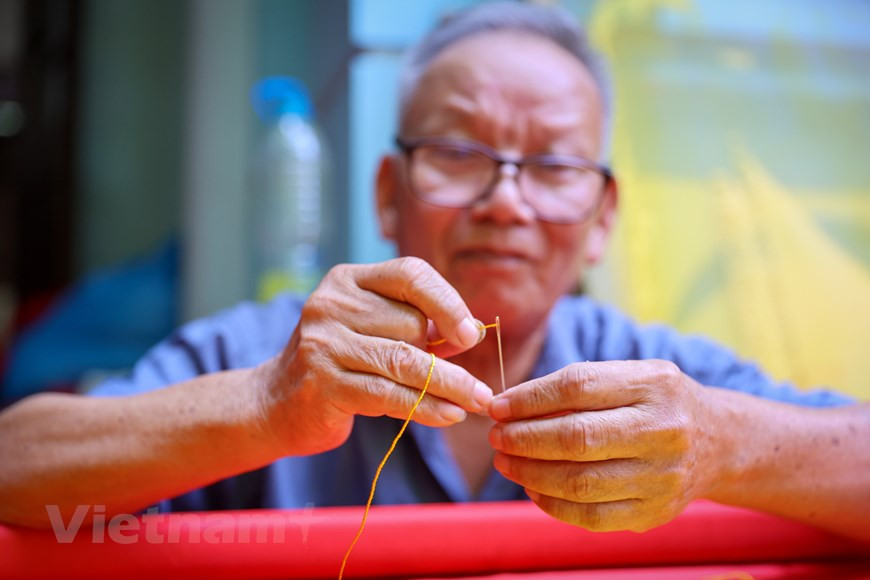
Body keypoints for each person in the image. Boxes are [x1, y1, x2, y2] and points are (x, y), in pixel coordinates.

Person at [0, 2, 867, 541]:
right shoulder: (271, 353)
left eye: (556, 165)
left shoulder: (655, 379)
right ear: (388, 192)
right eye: (459, 150)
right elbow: (17, 466)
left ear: (603, 219)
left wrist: (727, 441)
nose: (506, 200)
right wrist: (265, 405)